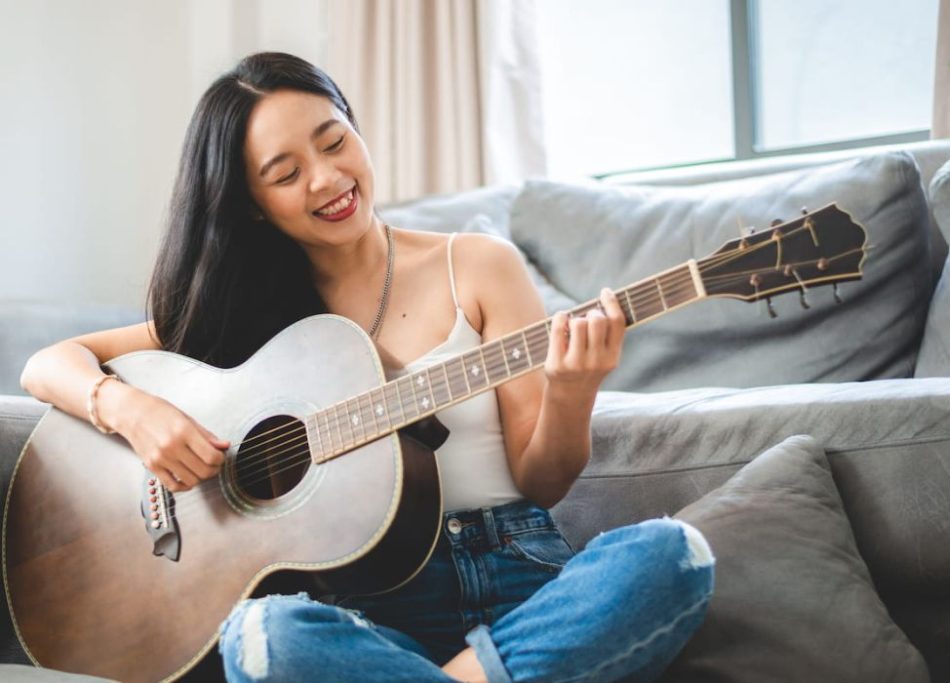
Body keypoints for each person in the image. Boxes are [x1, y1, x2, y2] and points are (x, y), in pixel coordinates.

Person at [20, 52, 715, 682]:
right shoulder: (246, 317)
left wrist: (572, 389)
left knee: (673, 555)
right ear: (250, 204)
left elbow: (543, 479)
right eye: (286, 173)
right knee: (265, 635)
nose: (328, 179)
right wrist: (132, 410)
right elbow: (50, 364)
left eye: (334, 141)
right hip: (369, 610)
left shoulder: (474, 265)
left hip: (520, 576)